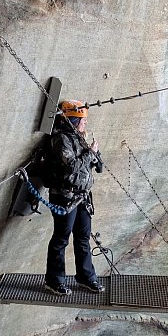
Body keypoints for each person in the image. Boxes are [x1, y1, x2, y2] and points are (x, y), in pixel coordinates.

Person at [42, 99, 104, 296]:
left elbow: (96, 165)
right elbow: (72, 167)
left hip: (82, 197)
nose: (85, 123)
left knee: (83, 238)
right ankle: (55, 280)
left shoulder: (80, 138)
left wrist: (96, 155)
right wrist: (90, 153)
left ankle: (86, 277)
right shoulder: (61, 139)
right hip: (64, 197)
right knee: (61, 238)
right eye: (82, 120)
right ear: (73, 121)